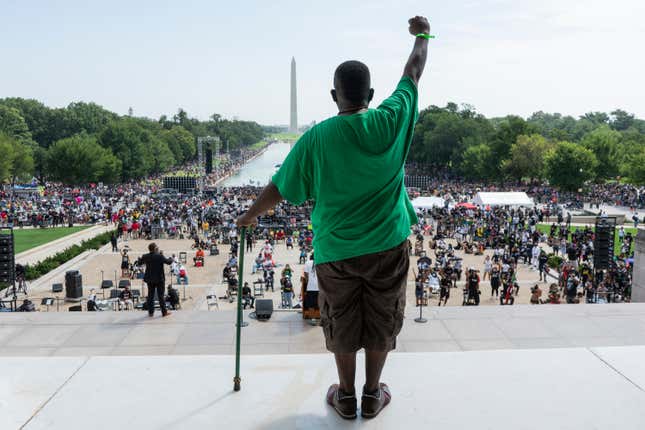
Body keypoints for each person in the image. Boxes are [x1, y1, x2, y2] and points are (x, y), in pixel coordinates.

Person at [236, 15, 430, 420]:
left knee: (341, 321)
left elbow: (280, 186)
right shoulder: (393, 118)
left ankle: (344, 395)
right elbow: (413, 71)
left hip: (335, 249)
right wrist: (422, 35)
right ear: (372, 93)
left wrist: (249, 215)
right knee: (382, 319)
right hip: (388, 243)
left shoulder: (317, 137)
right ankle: (373, 394)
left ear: (333, 94)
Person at [137, 242, 173, 317]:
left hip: (150, 279)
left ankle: (151, 312)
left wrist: (139, 259)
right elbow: (168, 262)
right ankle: (164, 312)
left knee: (150, 296)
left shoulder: (145, 256)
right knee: (161, 296)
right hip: (159, 279)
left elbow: (139, 263)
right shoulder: (159, 256)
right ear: (155, 248)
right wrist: (170, 258)